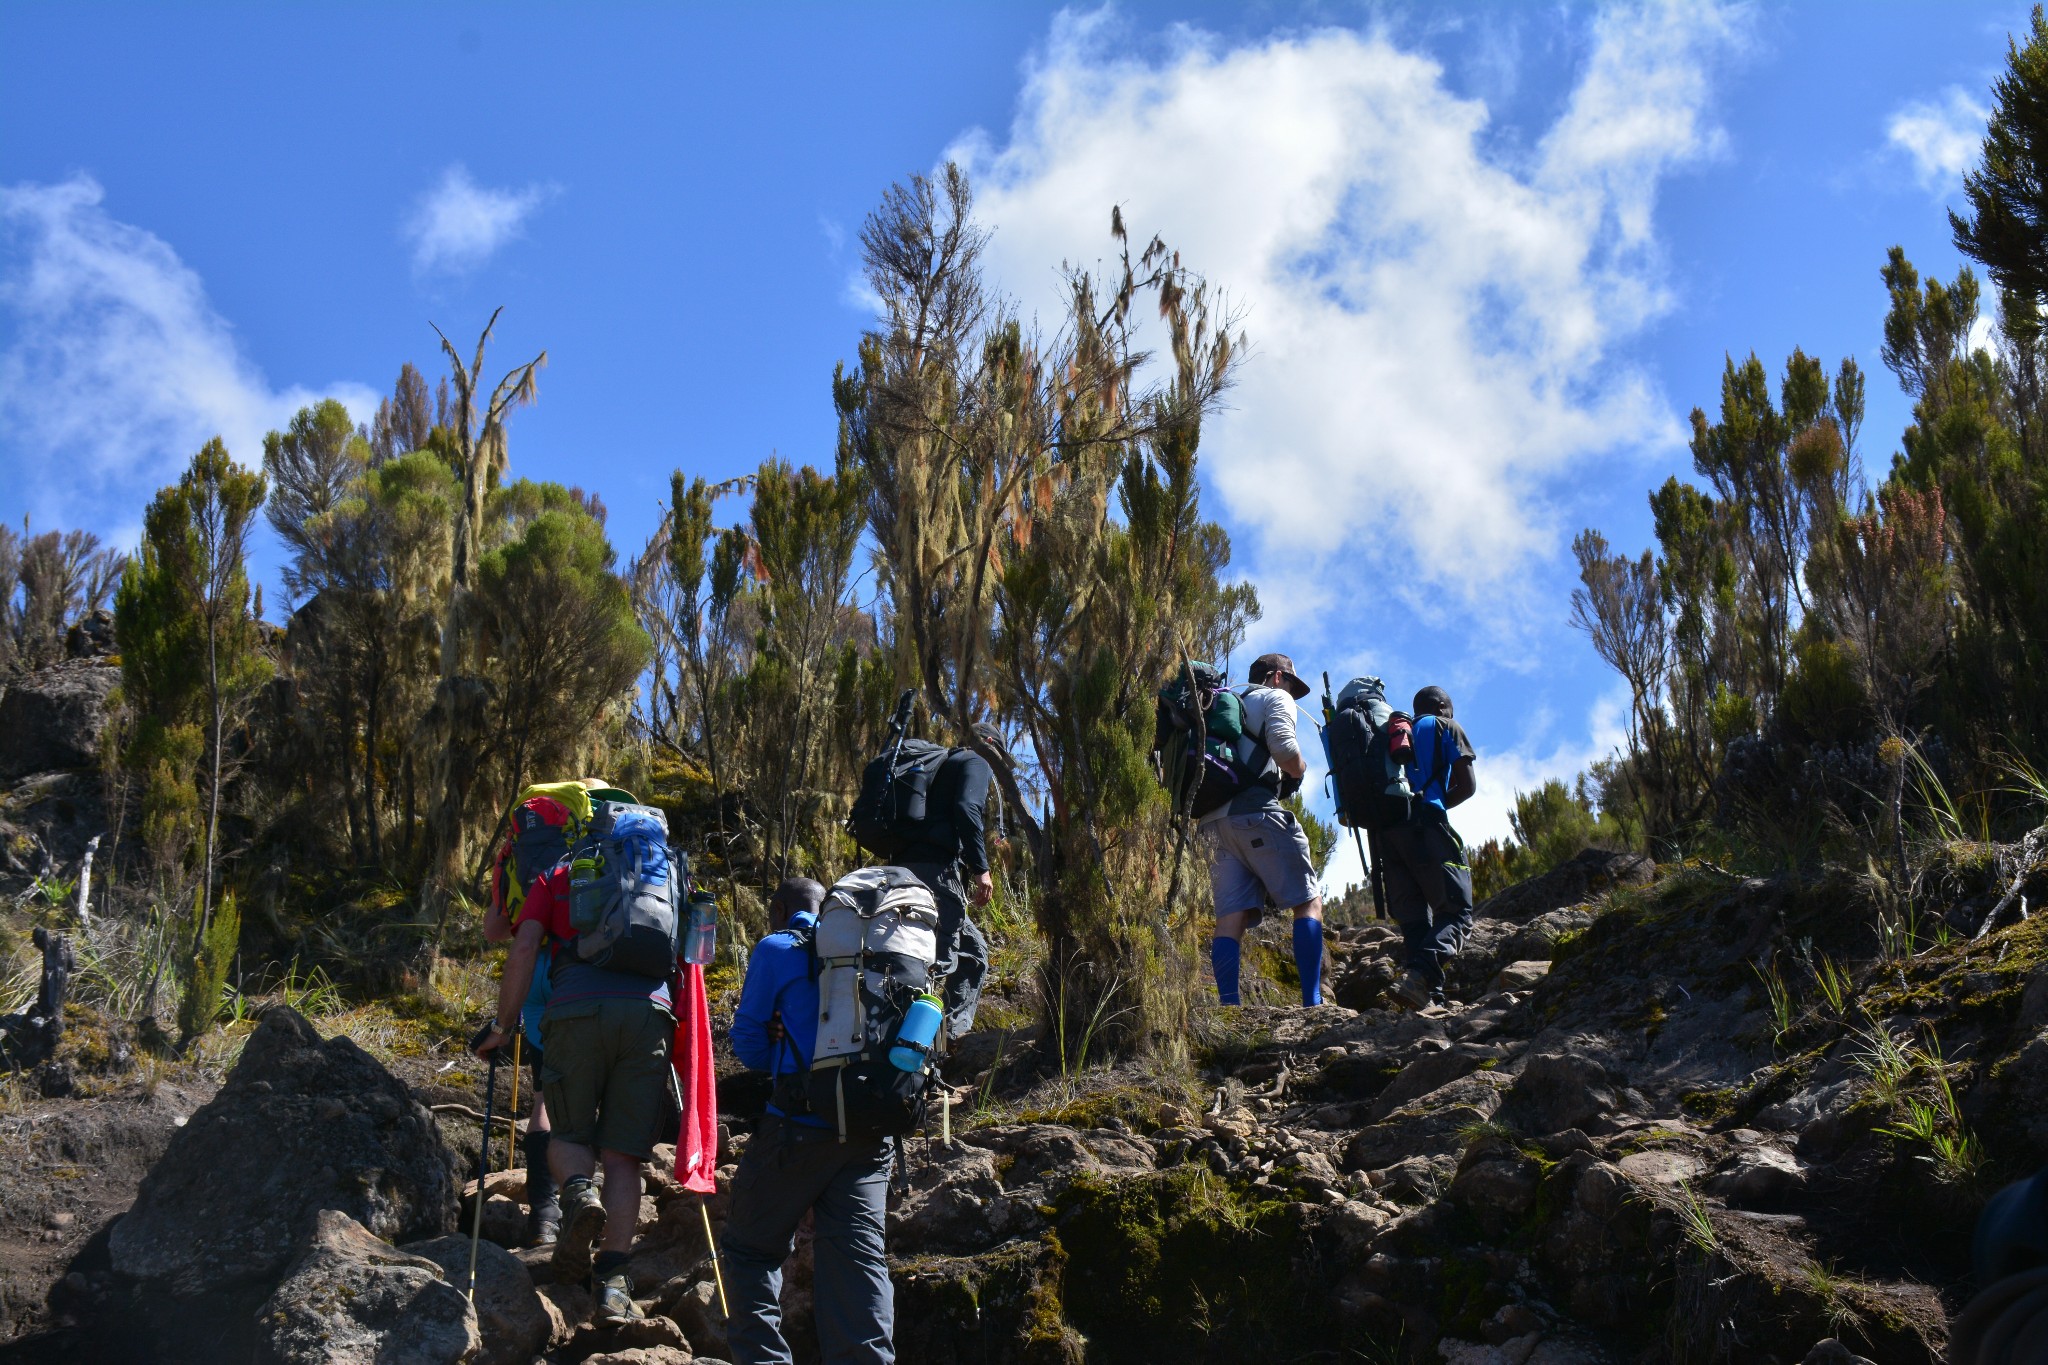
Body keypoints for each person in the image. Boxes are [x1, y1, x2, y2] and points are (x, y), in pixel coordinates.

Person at [474, 809, 681, 1323]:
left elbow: (523, 945)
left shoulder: (561, 873)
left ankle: (576, 1192)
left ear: (592, 832)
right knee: (625, 1155)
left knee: (568, 1132)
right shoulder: (670, 877)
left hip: (575, 1009)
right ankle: (612, 1284)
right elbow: (693, 959)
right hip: (649, 1014)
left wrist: (502, 1026)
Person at [723, 876, 896, 1365]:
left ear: (779, 910)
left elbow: (750, 1046)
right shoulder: (871, 951)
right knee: (859, 1263)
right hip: (869, 1131)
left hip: (797, 1127)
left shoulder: (777, 949)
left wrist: (782, 1036)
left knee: (749, 1252)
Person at [1200, 652, 1327, 1007]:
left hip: (1212, 825)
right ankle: (1312, 1003)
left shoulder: (1225, 705)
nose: (1291, 691)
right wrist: (1298, 770)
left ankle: (1229, 1007)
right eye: (1289, 682)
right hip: (1254, 813)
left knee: (1230, 918)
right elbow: (1285, 749)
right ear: (1275, 677)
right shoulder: (1275, 697)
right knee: (1308, 901)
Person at [890, 724, 997, 1039]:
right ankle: (939, 1042)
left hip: (899, 870)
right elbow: (967, 809)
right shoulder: (976, 761)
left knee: (969, 952)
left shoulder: (935, 767)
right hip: (935, 874)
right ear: (989, 744)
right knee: (944, 963)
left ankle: (928, 1036)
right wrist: (981, 869)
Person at [1383, 685, 1478, 1010]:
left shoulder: (1390, 737)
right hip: (1427, 822)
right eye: (1451, 709)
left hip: (1389, 834)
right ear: (1441, 706)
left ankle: (1427, 999)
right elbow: (1467, 786)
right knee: (1457, 912)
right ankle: (1419, 977)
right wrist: (1437, 806)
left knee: (1415, 923)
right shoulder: (1444, 726)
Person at [483, 867, 559, 1246]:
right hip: (577, 971)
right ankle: (586, 1201)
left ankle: (544, 1216)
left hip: (530, 971)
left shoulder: (519, 852)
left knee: (545, 1095)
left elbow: (493, 931)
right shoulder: (596, 848)